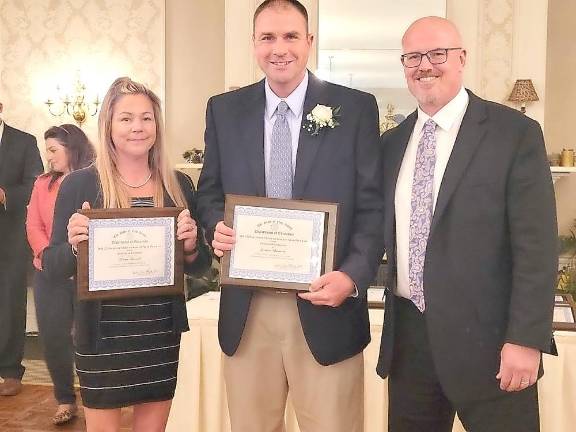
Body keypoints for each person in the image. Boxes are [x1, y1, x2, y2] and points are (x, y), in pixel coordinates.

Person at [196, 1, 384, 431]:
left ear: (309, 42)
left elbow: (373, 207)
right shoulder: (224, 110)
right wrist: (215, 227)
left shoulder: (354, 109)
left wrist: (352, 276)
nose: (279, 48)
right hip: (248, 308)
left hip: (326, 303)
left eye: (290, 36)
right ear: (254, 44)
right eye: (268, 37)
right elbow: (209, 192)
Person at [376, 16, 558, 432]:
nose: (425, 65)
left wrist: (527, 339)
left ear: (461, 58)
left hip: (493, 345)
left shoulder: (515, 134)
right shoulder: (390, 144)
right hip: (410, 344)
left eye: (437, 53)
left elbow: (537, 247)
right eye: (413, 57)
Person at [42, 77, 210, 431]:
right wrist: (75, 245)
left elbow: (202, 267)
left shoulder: (178, 184)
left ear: (157, 125)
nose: (138, 127)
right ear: (108, 126)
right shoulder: (80, 184)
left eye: (146, 118)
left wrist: (192, 246)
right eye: (126, 118)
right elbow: (54, 266)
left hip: (159, 330)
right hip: (101, 334)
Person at [26, 124, 95, 424]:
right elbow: (33, 226)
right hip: (48, 273)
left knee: (88, 338)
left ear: (72, 149)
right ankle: (65, 399)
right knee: (54, 338)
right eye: (47, 150)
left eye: (53, 150)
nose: (48, 156)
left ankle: (96, 398)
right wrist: (48, 256)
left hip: (86, 276)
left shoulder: (93, 183)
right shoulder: (42, 183)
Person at [0, 102, 43, 396]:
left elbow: (35, 184)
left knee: (10, 303)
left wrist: (4, 195)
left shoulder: (24, 141)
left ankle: (11, 370)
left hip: (11, 238)